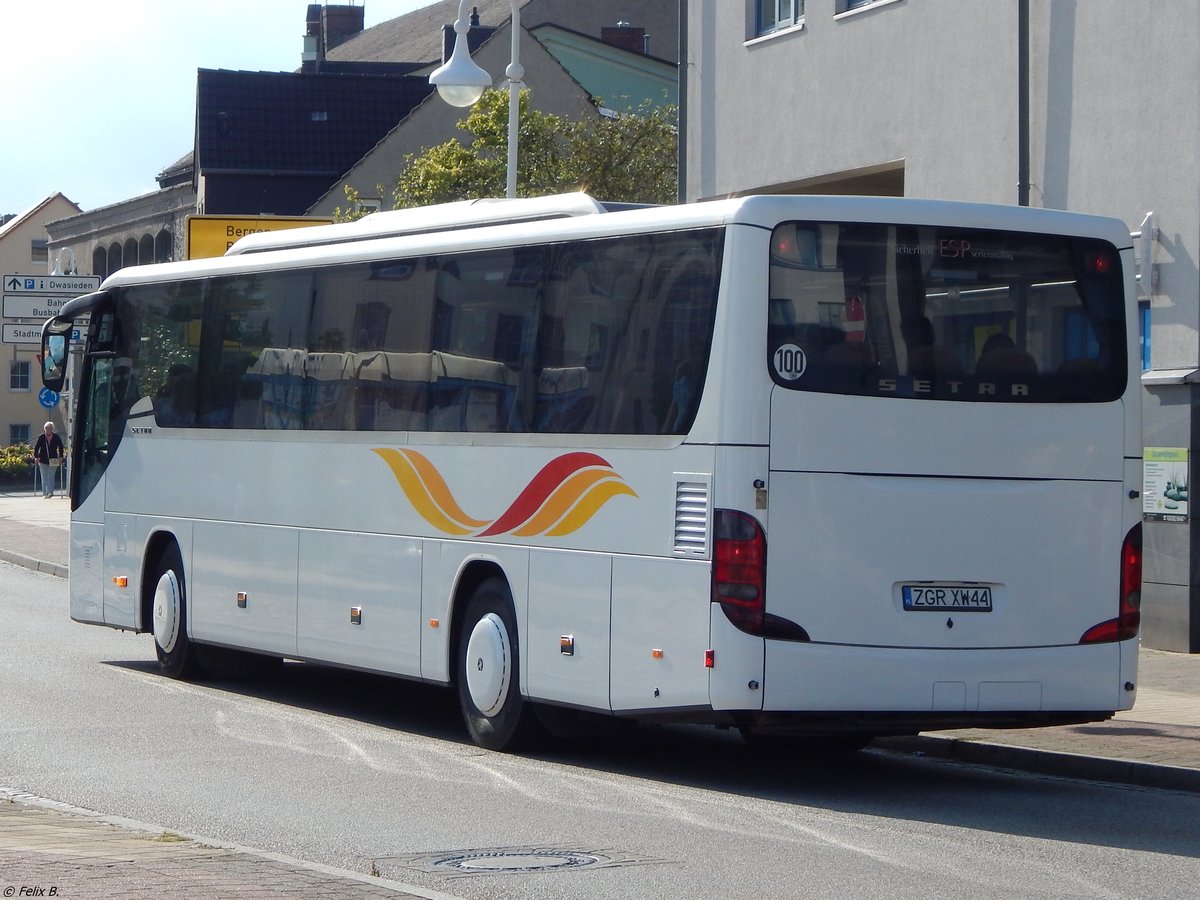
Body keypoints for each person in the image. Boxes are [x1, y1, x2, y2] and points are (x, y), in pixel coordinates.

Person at [31, 422, 64, 498]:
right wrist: (36, 456)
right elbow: (36, 447)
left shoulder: (56, 437)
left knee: (51, 476)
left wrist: (61, 457)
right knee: (44, 476)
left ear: (52, 429)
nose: (47, 430)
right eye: (46, 428)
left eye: (49, 428)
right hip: (42, 459)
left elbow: (61, 447)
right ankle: (45, 493)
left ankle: (50, 492)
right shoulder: (42, 437)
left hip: (54, 459)